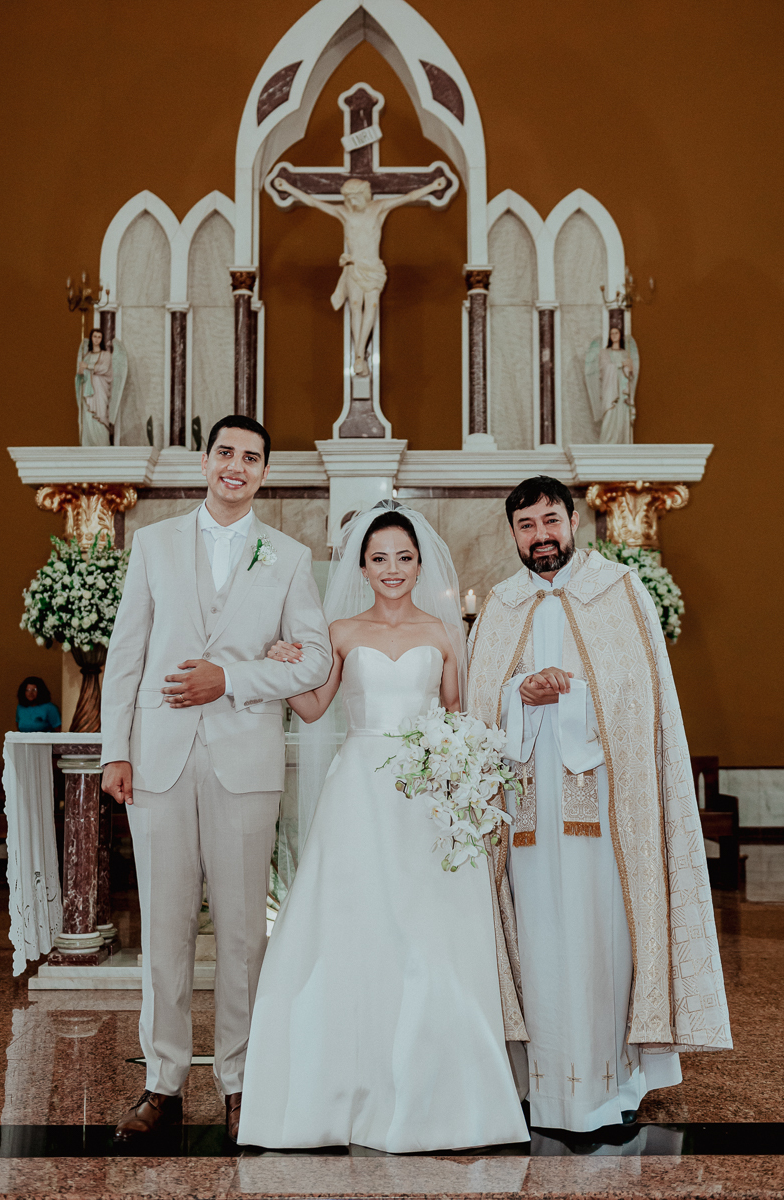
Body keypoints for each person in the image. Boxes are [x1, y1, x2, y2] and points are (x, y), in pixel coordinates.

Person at [236, 504, 528, 1153]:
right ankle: (337, 1086)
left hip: (426, 794)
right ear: (361, 566)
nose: (392, 569)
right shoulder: (340, 630)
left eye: (403, 557)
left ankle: (441, 1089)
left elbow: (457, 715)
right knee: (354, 922)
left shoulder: (446, 632)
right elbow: (313, 710)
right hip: (359, 789)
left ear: (419, 563)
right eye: (378, 558)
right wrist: (284, 666)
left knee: (428, 928)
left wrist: (459, 777)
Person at [467, 476, 732, 1134]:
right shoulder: (499, 606)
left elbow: (639, 699)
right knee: (538, 931)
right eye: (526, 526)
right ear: (512, 535)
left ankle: (611, 1085)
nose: (540, 537)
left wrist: (576, 695)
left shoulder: (617, 589)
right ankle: (543, 1084)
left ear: (573, 521)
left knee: (602, 931)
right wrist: (516, 697)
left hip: (608, 810)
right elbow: (477, 708)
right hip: (525, 809)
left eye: (549, 520)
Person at [99, 414, 332, 1144]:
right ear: (205, 463)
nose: (236, 466)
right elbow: (125, 652)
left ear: (264, 473)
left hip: (244, 762)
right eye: (225, 453)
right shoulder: (153, 544)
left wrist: (229, 677)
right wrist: (116, 751)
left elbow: (314, 660)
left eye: (251, 457)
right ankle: (162, 1082)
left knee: (240, 935)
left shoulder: (288, 557)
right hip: (159, 759)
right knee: (163, 931)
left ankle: (239, 1081)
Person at [273, 174, 446, 376]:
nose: (352, 203)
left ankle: (359, 354)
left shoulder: (378, 208)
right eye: (349, 199)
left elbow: (408, 197)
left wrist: (433, 186)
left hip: (372, 267)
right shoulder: (344, 213)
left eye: (355, 198)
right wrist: (288, 187)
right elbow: (314, 202)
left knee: (370, 307)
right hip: (353, 266)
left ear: (364, 195)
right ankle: (358, 357)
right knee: (355, 307)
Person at [75, 327, 128, 446]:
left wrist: (88, 366)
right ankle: (88, 443)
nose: (96, 339)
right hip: (87, 391)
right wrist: (80, 373)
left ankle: (102, 444)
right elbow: (80, 375)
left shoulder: (106, 355)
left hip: (100, 389)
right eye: (94, 336)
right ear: (91, 338)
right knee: (88, 417)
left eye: (99, 337)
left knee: (101, 415)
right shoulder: (87, 355)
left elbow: (104, 369)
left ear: (102, 339)